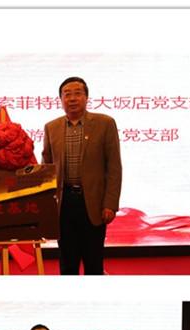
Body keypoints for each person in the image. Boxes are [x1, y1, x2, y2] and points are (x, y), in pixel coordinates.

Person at [42, 76, 122, 275]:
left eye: (77, 93)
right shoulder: (51, 127)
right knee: (67, 263)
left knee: (93, 263)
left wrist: (110, 204)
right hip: (64, 203)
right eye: (67, 94)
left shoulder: (105, 124)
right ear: (61, 100)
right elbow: (46, 168)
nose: (72, 98)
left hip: (93, 203)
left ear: (86, 97)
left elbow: (114, 167)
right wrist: (45, 207)